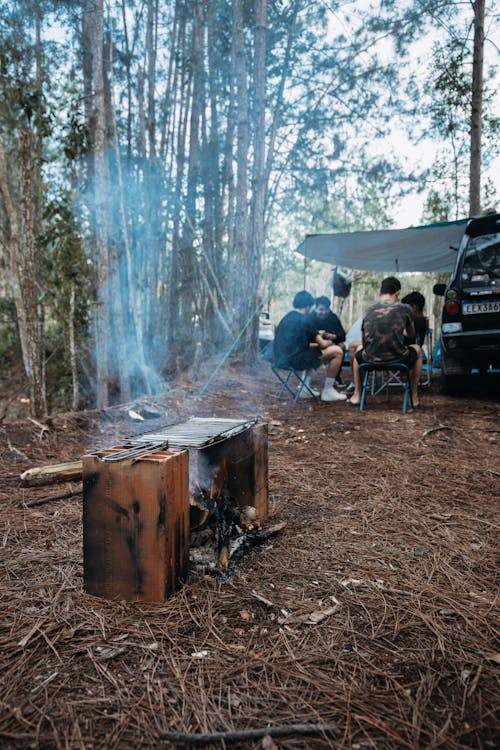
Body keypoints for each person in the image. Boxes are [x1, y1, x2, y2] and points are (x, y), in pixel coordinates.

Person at [348, 277, 423, 407]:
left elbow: (364, 340)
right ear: (398, 292)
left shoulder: (368, 310)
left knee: (358, 353)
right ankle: (414, 397)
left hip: (370, 360)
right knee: (417, 349)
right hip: (399, 358)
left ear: (379, 292)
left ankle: (357, 395)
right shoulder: (405, 308)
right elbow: (411, 335)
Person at [273, 290, 347, 402]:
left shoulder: (286, 318)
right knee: (337, 351)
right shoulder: (306, 320)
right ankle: (328, 390)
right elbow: (323, 345)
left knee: (311, 352)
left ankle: (304, 388)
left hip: (280, 360)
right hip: (295, 361)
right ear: (308, 306)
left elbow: (295, 342)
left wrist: (317, 335)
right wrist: (329, 342)